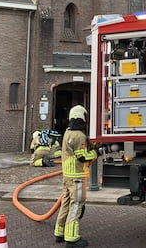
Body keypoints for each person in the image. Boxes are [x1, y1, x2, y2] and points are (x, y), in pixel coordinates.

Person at [54, 105, 97, 247]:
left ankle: (59, 232)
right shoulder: (79, 135)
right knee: (76, 204)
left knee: (66, 204)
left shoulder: (67, 132)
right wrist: (97, 152)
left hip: (67, 176)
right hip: (77, 177)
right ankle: (72, 238)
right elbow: (83, 156)